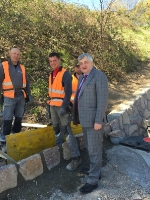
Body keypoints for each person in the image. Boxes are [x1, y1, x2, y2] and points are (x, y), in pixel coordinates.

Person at [73, 53, 108, 193]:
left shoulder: (99, 76)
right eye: (81, 63)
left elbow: (102, 100)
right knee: (90, 147)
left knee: (94, 150)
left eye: (86, 62)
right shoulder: (82, 77)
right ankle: (95, 170)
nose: (83, 65)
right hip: (85, 120)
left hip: (94, 121)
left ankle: (93, 180)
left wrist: (98, 120)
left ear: (92, 63)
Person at [47, 52, 81, 171]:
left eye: (54, 61)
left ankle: (76, 157)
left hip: (62, 107)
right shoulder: (51, 75)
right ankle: (60, 151)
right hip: (53, 106)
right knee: (56, 129)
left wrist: (64, 106)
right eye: (50, 61)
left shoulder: (65, 74)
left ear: (59, 60)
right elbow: (52, 93)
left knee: (66, 130)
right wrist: (49, 105)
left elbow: (67, 92)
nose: (52, 63)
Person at [0, 47, 33, 144]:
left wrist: (29, 94)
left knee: (19, 117)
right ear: (10, 54)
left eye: (18, 54)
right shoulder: (3, 66)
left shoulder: (22, 67)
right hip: (9, 95)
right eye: (14, 53)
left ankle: (16, 135)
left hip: (21, 95)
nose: (16, 56)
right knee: (7, 118)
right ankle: (4, 138)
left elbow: (27, 82)